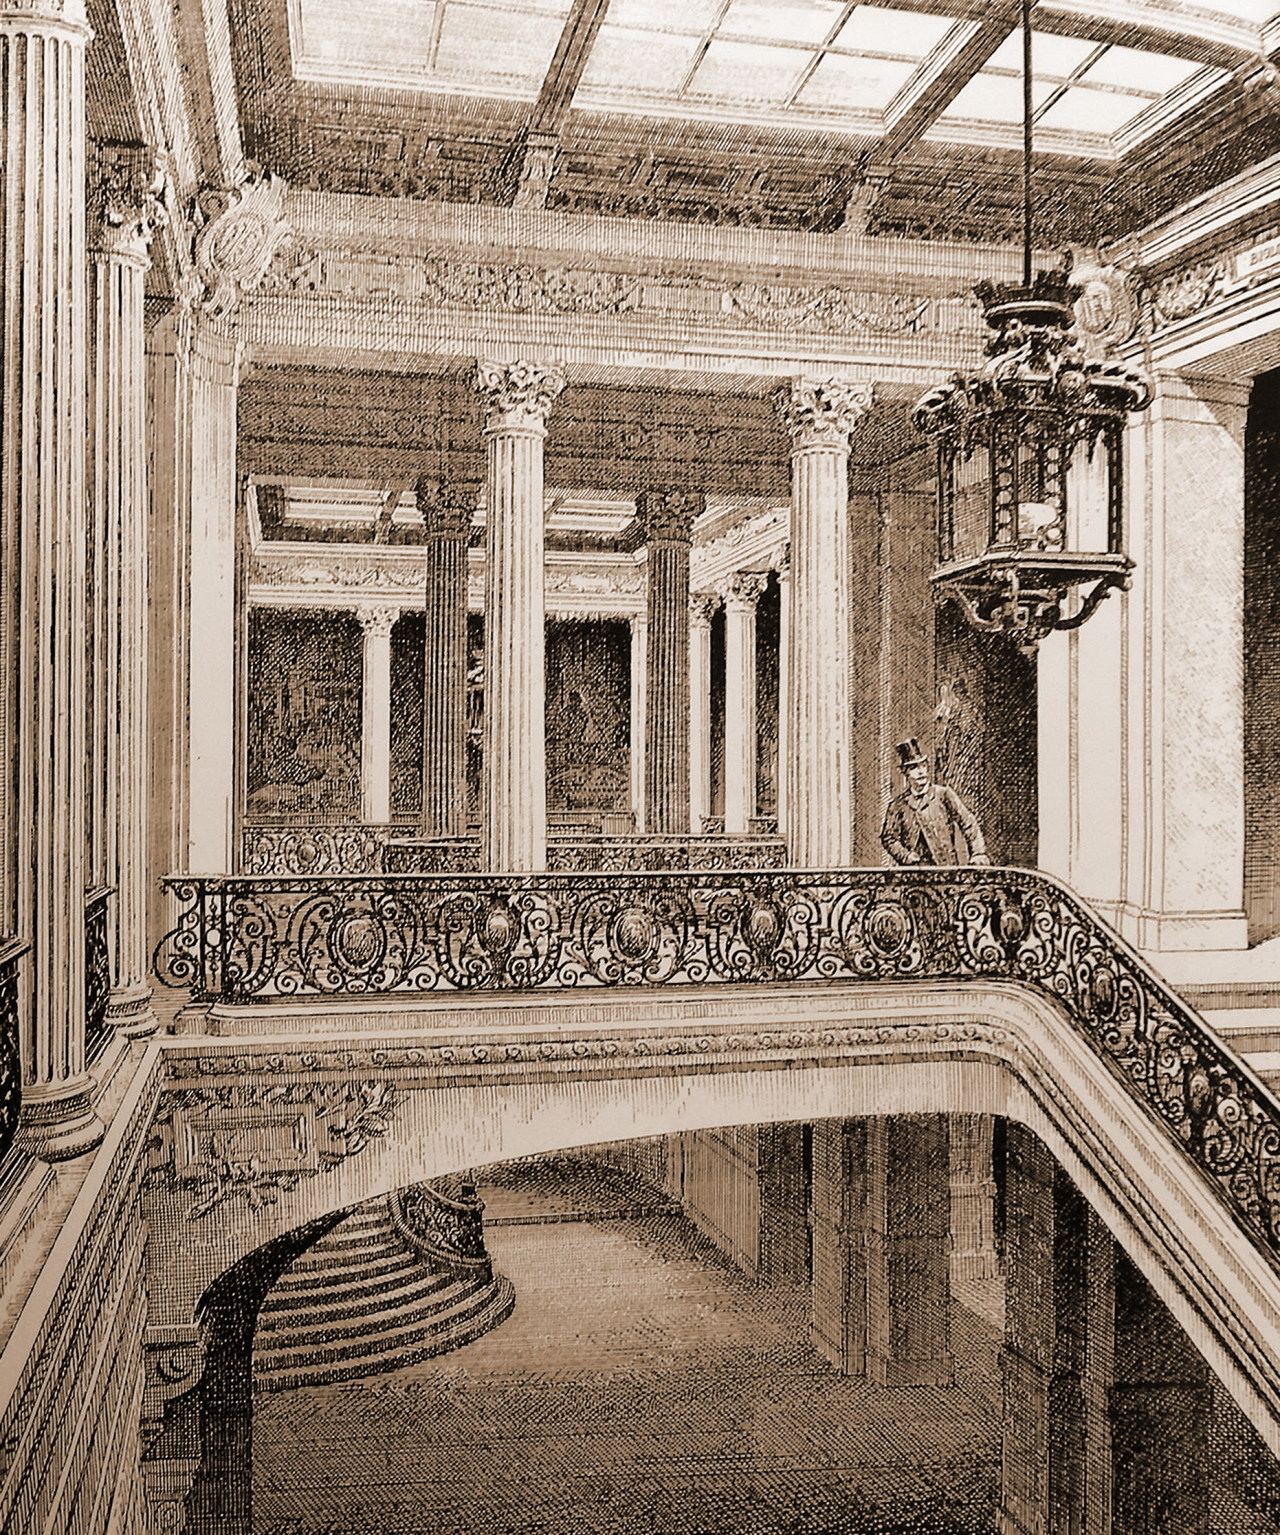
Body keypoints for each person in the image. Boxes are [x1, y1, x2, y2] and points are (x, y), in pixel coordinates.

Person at [880, 738, 991, 867]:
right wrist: (905, 855)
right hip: (912, 875)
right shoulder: (897, 805)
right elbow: (888, 838)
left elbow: (968, 823)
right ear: (905, 772)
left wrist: (978, 853)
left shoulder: (943, 795)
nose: (921, 771)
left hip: (945, 871)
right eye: (914, 768)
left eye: (923, 766)